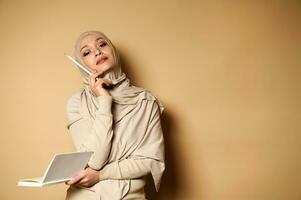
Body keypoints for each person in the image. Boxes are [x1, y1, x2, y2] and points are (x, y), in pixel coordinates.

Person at [65, 31, 165, 200]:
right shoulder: (77, 102)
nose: (97, 51)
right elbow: (94, 160)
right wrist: (104, 100)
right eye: (87, 52)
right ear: (82, 64)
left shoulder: (146, 101)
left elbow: (150, 161)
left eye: (102, 44)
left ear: (114, 51)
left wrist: (101, 174)